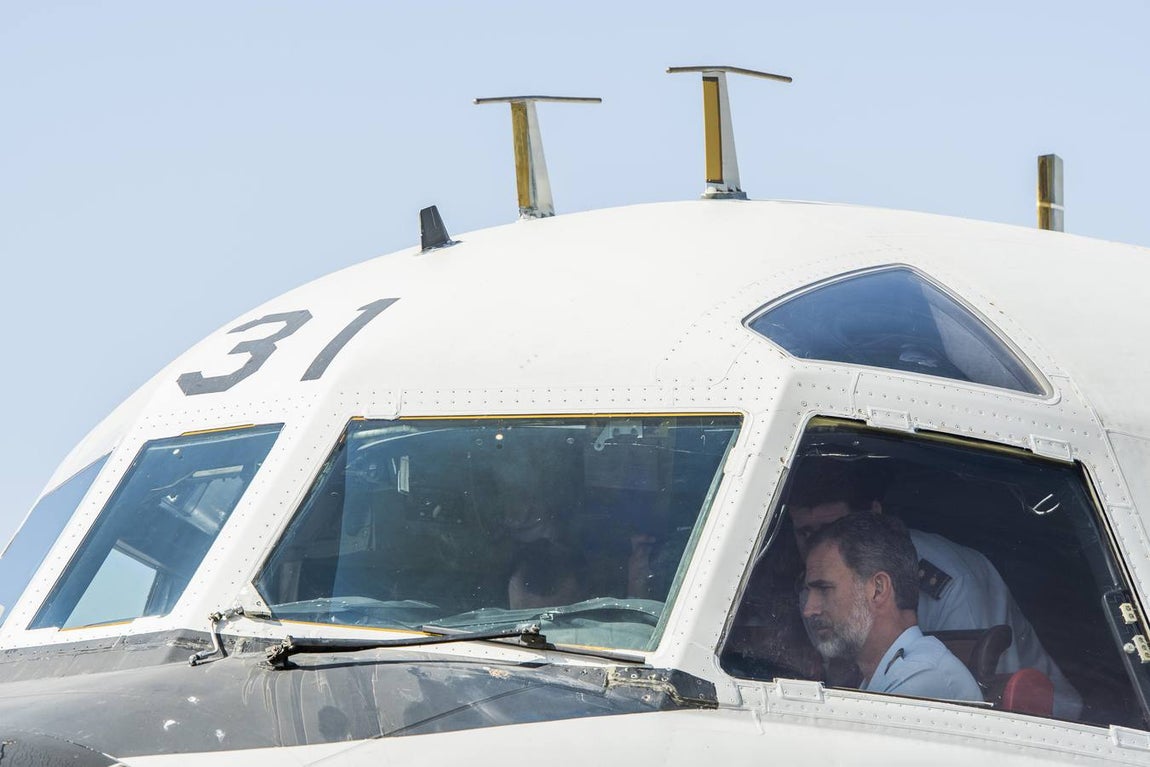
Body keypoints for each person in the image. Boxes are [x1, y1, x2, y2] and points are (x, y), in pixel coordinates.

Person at [787, 464, 1083, 718]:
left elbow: (973, 693)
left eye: (834, 529)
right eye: (806, 533)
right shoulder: (816, 581)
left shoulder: (951, 581)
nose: (818, 547)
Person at [801, 513, 983, 702]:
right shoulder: (888, 674)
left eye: (824, 589)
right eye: (808, 591)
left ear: (878, 589)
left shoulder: (922, 679)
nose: (809, 609)